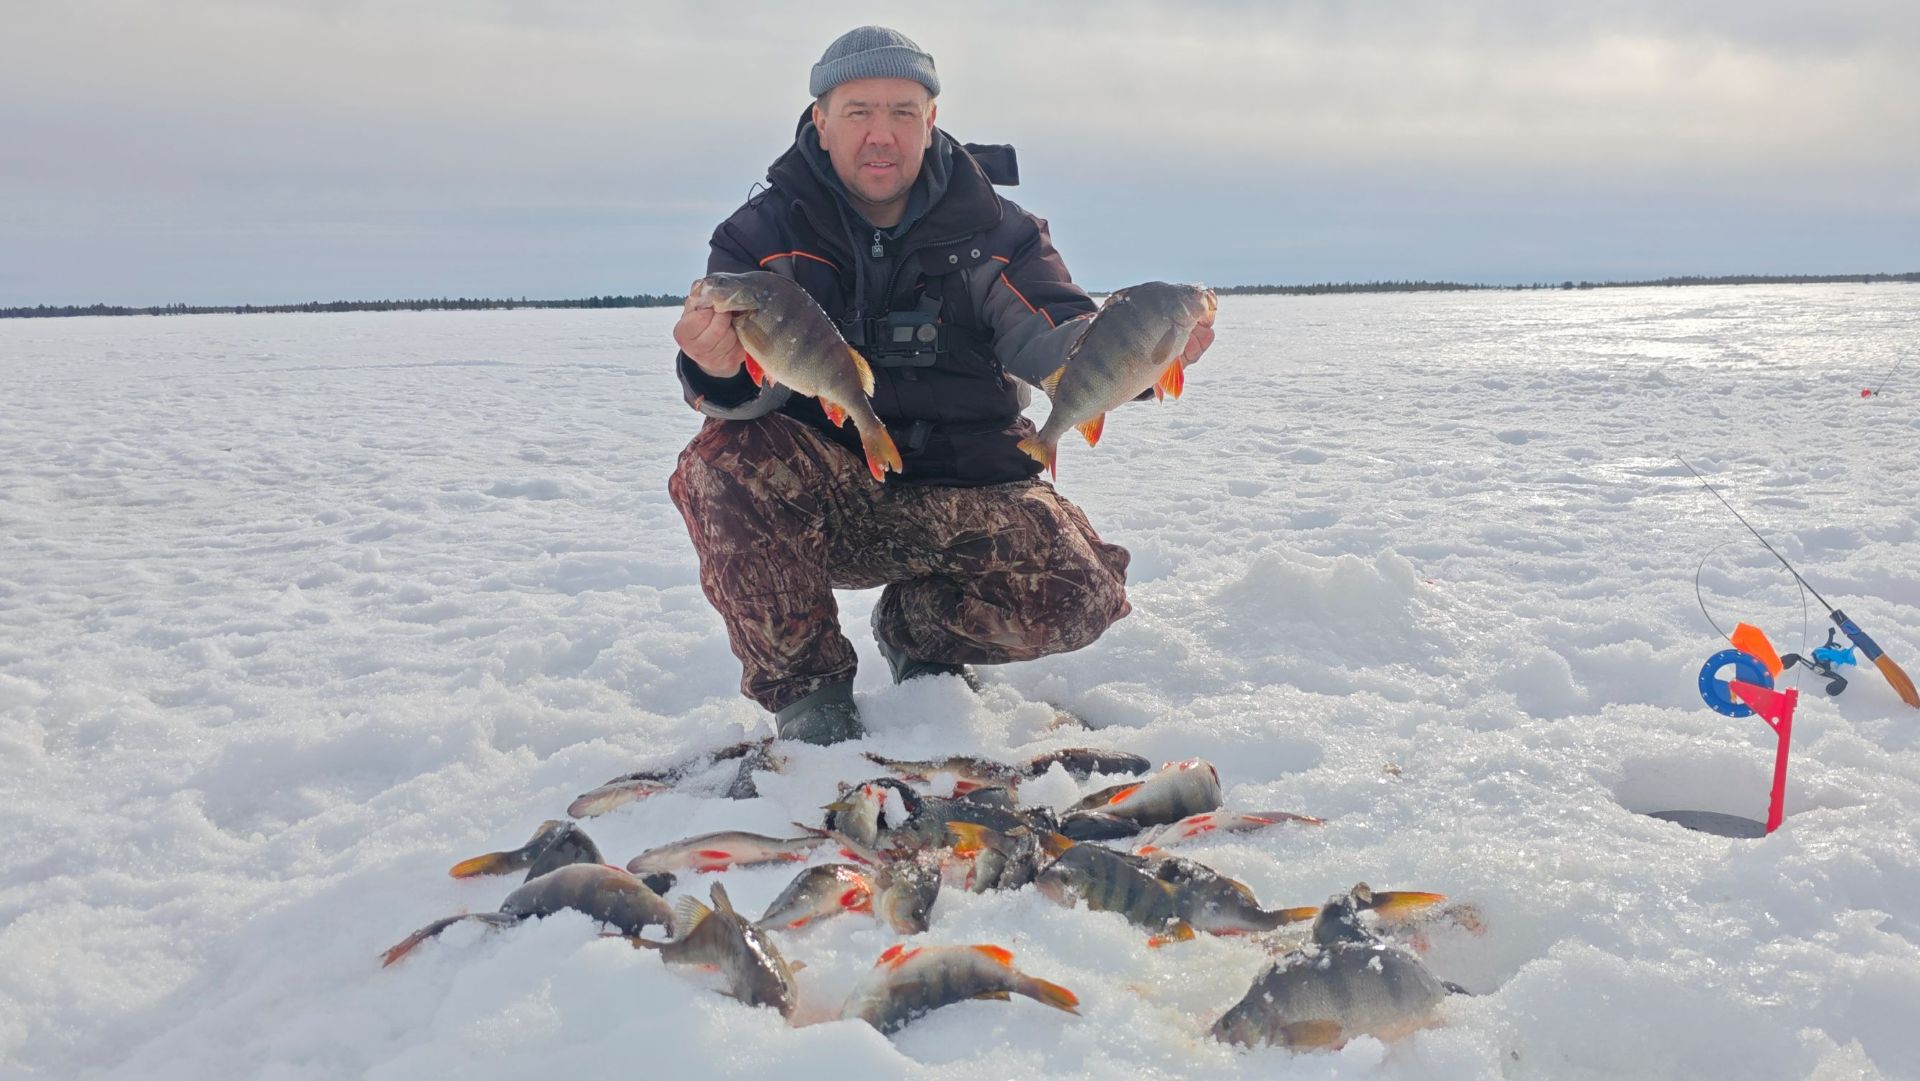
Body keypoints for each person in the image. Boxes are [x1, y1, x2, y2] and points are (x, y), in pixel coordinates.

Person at [668, 26, 1212, 744]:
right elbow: (745, 392)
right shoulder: (760, 237)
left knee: (1082, 596)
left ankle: (918, 633)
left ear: (931, 121)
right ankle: (811, 694)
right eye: (858, 111)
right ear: (820, 121)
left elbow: (1053, 330)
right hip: (835, 494)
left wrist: (1139, 350)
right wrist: (712, 364)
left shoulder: (996, 229)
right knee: (720, 467)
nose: (881, 135)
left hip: (969, 487)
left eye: (902, 112)